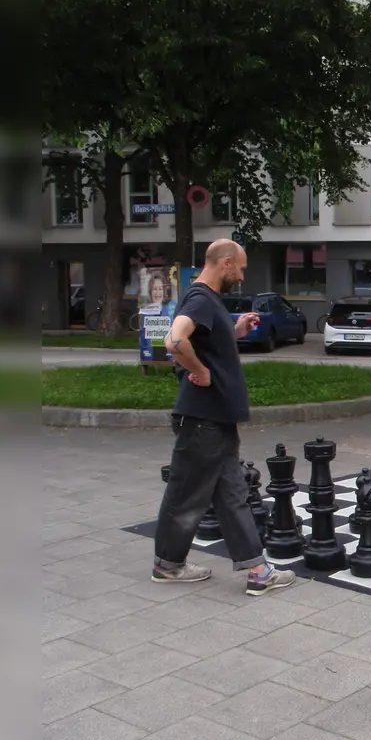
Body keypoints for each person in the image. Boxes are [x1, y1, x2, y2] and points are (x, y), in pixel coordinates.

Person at [153, 239, 294, 595]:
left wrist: (235, 332)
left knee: (232, 494)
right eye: (241, 268)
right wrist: (199, 371)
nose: (242, 276)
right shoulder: (201, 297)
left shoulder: (207, 300)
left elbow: (203, 341)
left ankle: (257, 571)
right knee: (186, 495)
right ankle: (167, 564)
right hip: (203, 419)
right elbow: (174, 341)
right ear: (226, 263)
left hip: (215, 419)